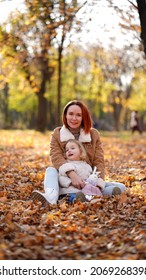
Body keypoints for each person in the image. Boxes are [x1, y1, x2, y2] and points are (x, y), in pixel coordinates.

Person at [32, 100, 126, 205]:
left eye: (78, 115)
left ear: (83, 117)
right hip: (65, 177)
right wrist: (72, 175)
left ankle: (89, 194)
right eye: (71, 114)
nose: (74, 118)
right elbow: (56, 157)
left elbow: (99, 162)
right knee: (51, 171)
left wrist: (97, 184)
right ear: (65, 116)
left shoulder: (93, 135)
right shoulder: (57, 134)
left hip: (87, 178)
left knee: (121, 187)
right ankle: (51, 197)